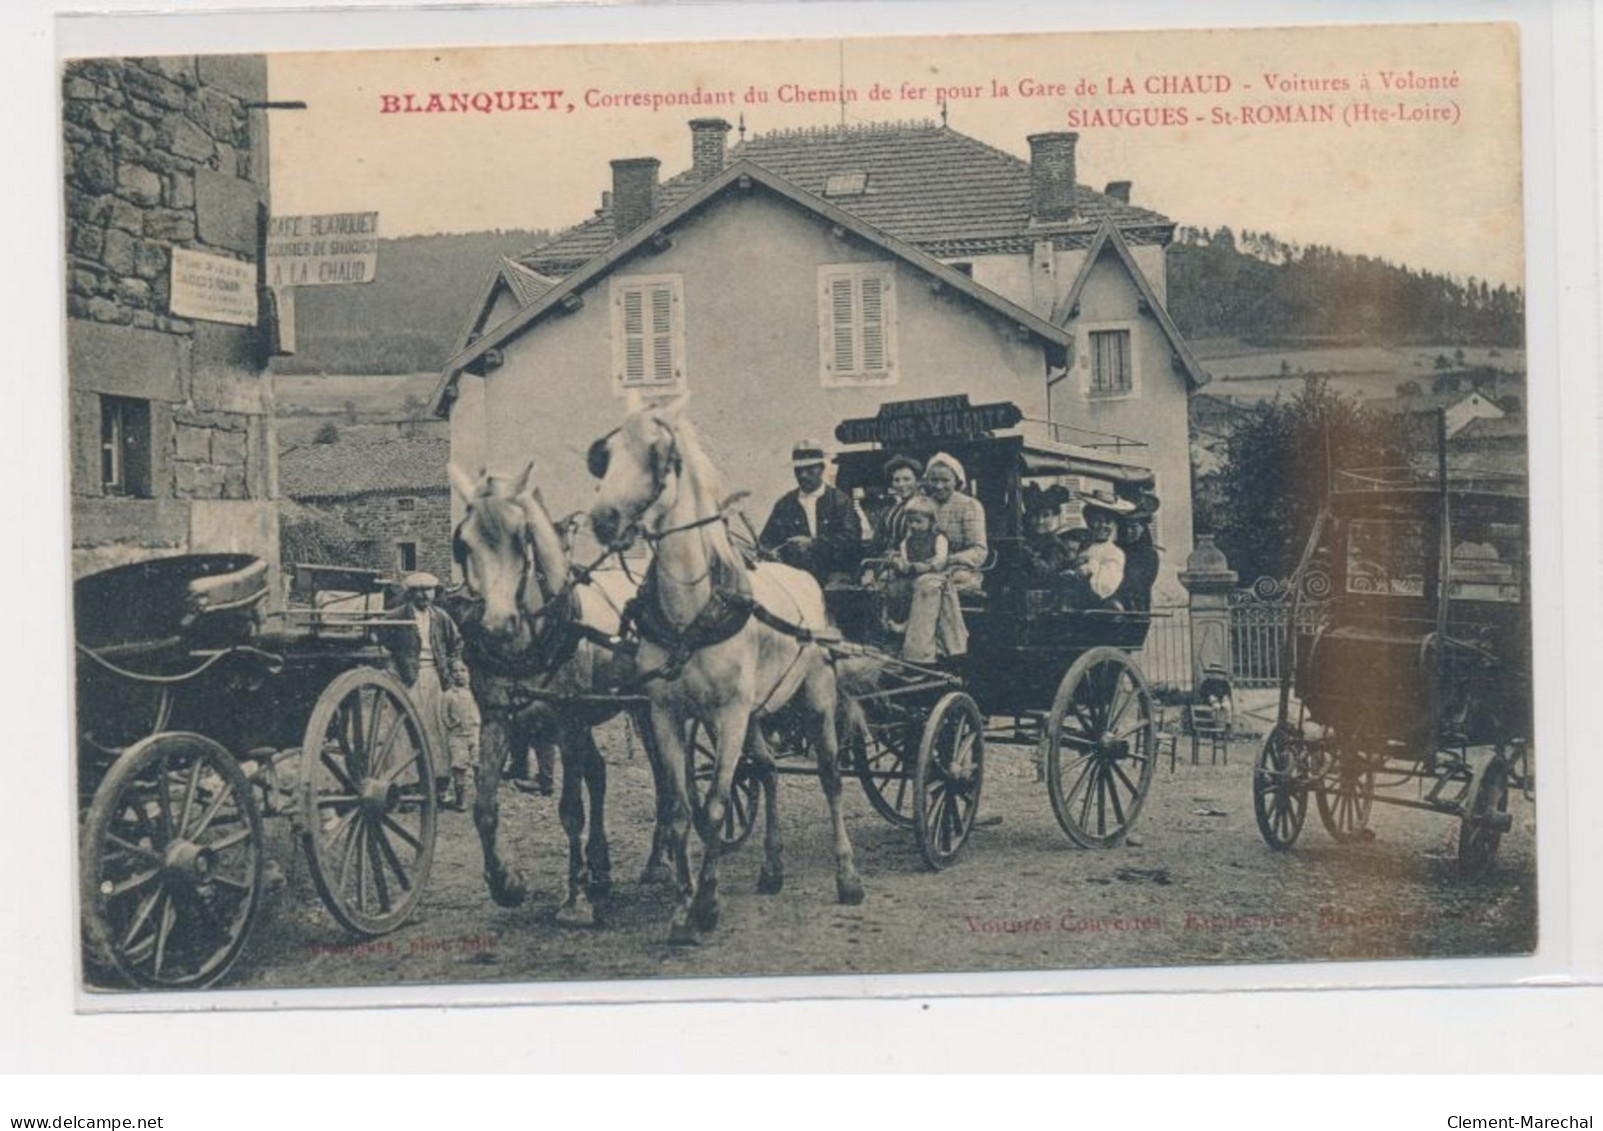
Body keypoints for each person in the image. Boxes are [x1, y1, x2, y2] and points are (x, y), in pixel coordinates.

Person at [385, 571, 466, 805]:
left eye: (428, 590)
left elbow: (456, 644)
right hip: (407, 678)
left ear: (434, 592)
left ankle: (439, 786)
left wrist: (454, 665)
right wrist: (392, 668)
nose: (424, 595)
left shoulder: (440, 617)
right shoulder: (397, 616)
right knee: (404, 730)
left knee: (437, 730)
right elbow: (381, 642)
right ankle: (407, 787)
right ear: (410, 593)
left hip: (435, 677)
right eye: (418, 591)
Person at [901, 452, 987, 665]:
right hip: (922, 567)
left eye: (945, 480)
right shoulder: (921, 504)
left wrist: (944, 561)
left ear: (957, 480)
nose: (939, 486)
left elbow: (979, 551)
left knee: (928, 585)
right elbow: (910, 540)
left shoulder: (969, 505)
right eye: (934, 480)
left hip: (959, 571)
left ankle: (922, 654)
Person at [759, 438, 864, 583]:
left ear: (821, 468)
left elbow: (851, 539)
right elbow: (767, 541)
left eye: (810, 469)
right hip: (796, 576)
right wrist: (770, 552)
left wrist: (813, 543)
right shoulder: (785, 505)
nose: (803, 475)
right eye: (799, 470)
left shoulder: (840, 501)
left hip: (835, 573)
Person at [882, 494, 948, 626]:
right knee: (895, 589)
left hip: (931, 575)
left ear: (931, 521)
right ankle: (896, 620)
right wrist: (902, 564)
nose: (913, 525)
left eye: (918, 521)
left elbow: (941, 559)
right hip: (910, 575)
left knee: (921, 590)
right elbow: (904, 559)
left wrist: (929, 566)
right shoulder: (906, 541)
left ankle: (911, 624)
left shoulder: (938, 539)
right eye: (910, 521)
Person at [1066, 495, 1133, 609]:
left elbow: (1104, 586)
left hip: (1095, 606)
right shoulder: (1081, 545)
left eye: (1108, 521)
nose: (1103, 526)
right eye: (1097, 521)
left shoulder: (1114, 553)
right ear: (1088, 522)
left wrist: (1090, 566)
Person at [441, 658, 480, 811]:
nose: (459, 674)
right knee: (459, 768)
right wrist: (451, 725)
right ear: (450, 674)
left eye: (463, 670)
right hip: (458, 736)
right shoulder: (449, 695)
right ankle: (460, 800)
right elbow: (443, 715)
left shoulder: (475, 692)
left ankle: (481, 798)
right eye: (455, 671)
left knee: (479, 765)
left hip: (475, 733)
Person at [1115, 496, 1161, 614]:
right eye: (1124, 527)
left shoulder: (1148, 555)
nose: (1127, 531)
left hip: (1136, 608)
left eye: (1133, 527)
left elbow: (1139, 583)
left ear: (1143, 528)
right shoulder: (1114, 550)